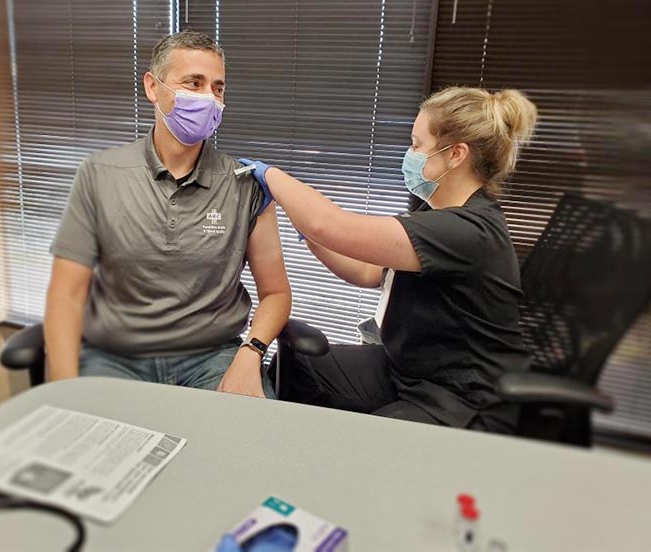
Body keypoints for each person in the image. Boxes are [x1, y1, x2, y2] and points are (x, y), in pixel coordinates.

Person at [239, 87, 538, 431]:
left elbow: (330, 223)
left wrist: (270, 175)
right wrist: (309, 234)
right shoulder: (436, 214)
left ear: (456, 154)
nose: (408, 154)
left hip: (461, 399)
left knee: (366, 449)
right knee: (299, 364)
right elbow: (368, 271)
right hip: (408, 370)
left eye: (416, 145)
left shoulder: (468, 230)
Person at [44, 30, 291, 398]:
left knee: (251, 446)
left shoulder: (244, 185)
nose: (208, 98)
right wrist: (64, 389)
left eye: (218, 88)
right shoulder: (101, 175)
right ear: (152, 86)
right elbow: (66, 295)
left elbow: (275, 292)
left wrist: (250, 353)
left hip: (213, 357)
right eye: (194, 83)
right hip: (118, 356)